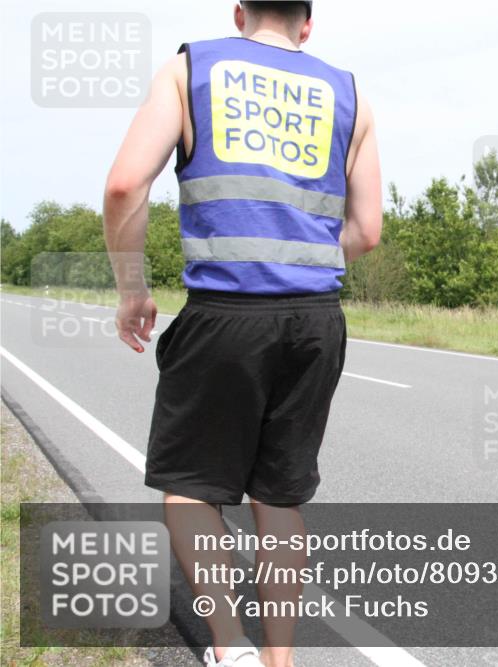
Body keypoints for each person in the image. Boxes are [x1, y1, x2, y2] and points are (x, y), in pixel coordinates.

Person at [102, 1, 382, 665]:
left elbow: (123, 187)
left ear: (238, 13)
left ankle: (231, 647)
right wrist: (300, 255)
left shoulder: (189, 69)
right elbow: (367, 231)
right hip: (317, 320)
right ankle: (279, 659)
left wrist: (133, 291)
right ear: (307, 23)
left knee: (194, 487)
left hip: (225, 312)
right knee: (280, 496)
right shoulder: (351, 95)